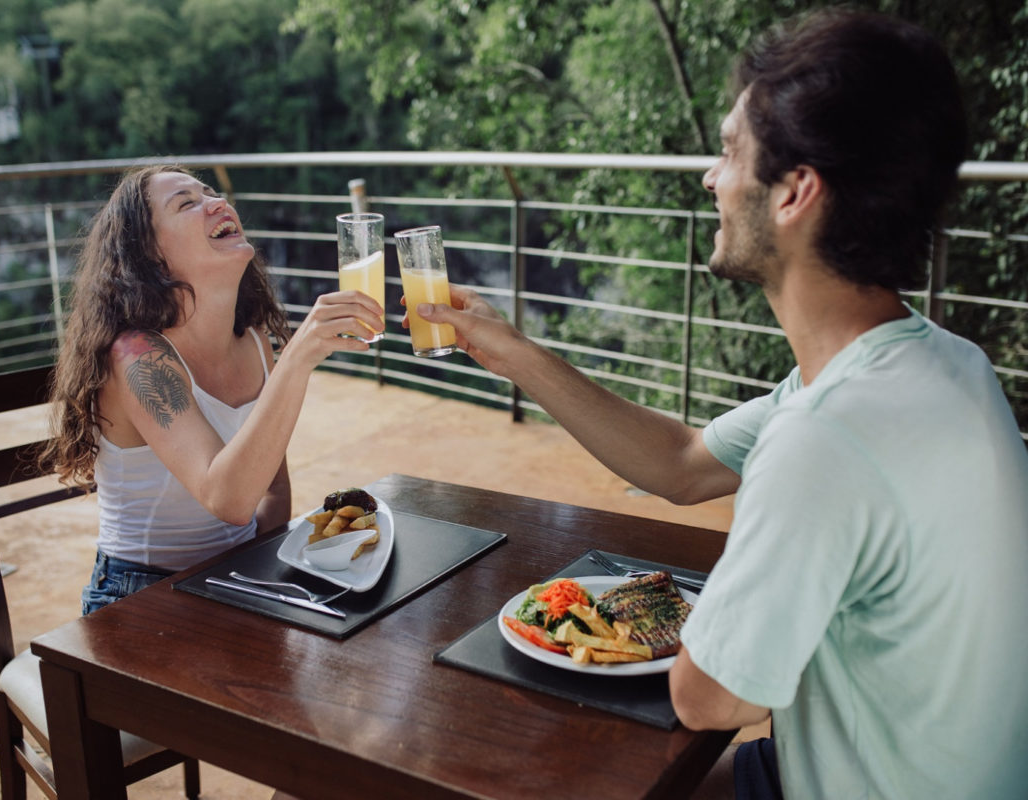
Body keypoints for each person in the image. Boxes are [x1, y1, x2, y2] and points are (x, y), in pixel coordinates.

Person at [411, 10, 1028, 799]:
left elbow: (708, 696)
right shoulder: (940, 364)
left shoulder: (826, 436)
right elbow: (683, 464)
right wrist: (515, 353)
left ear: (795, 192)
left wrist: (694, 596)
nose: (711, 177)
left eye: (731, 151)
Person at [41, 164, 384, 615]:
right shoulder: (137, 358)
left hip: (235, 574)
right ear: (149, 254)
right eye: (187, 203)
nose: (218, 204)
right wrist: (298, 359)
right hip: (140, 597)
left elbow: (273, 489)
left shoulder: (256, 342)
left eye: (211, 194)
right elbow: (229, 500)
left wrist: (261, 568)